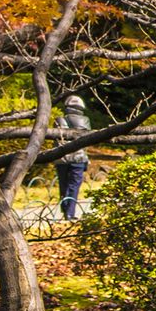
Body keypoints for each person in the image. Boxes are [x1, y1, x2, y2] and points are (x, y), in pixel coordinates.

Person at [54, 94, 92, 222]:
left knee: (63, 185)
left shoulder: (59, 120)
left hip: (62, 158)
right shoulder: (85, 120)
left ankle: (65, 210)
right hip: (79, 158)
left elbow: (57, 140)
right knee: (74, 186)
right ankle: (70, 213)